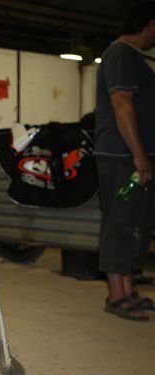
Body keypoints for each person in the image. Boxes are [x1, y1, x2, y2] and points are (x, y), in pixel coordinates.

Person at [94, 2, 155, 321]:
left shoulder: (132, 56)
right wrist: (139, 154)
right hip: (122, 157)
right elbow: (122, 104)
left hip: (130, 156)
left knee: (134, 223)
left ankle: (128, 290)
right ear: (150, 23)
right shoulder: (120, 54)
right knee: (119, 223)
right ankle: (116, 296)